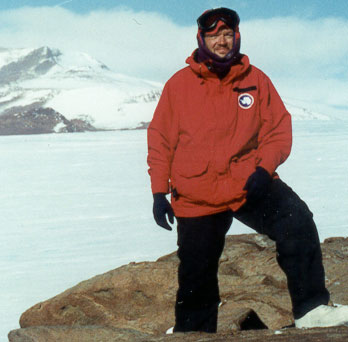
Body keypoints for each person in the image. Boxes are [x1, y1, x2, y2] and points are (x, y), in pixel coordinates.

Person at [147, 7, 348, 333]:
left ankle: (311, 310)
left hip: (246, 182)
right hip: (196, 194)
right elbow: (160, 141)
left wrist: (263, 169)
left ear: (236, 36)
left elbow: (279, 130)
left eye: (228, 34)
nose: (222, 41)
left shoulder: (255, 80)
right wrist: (158, 192)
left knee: (297, 222)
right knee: (196, 277)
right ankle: (192, 334)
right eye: (214, 35)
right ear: (202, 38)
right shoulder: (179, 86)